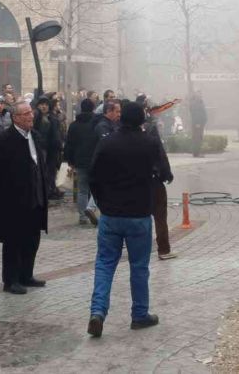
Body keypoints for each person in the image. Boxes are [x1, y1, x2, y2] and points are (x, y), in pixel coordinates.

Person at [86, 102, 165, 338]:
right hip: (139, 215)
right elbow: (162, 171)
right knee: (139, 266)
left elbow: (93, 177)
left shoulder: (107, 142)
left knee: (104, 264)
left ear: (121, 119)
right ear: (141, 120)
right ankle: (139, 314)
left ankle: (98, 312)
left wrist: (102, 203)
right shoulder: (149, 143)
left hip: (111, 215)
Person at [0, 102, 48, 296]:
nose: (31, 117)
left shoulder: (35, 136)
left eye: (31, 113)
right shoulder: (4, 140)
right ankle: (11, 280)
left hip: (36, 196)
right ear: (15, 118)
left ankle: (27, 274)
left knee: (32, 238)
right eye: (25, 114)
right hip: (14, 199)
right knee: (14, 240)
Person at [139, 98, 175, 260]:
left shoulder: (119, 133)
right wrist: (166, 174)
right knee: (160, 216)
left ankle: (140, 250)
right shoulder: (150, 130)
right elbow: (160, 154)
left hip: (134, 183)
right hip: (153, 180)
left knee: (140, 217)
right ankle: (164, 249)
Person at [64, 99, 100, 226]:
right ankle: (92, 208)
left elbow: (69, 144)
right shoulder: (97, 124)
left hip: (80, 161)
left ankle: (82, 216)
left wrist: (70, 160)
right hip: (95, 161)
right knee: (97, 188)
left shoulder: (74, 125)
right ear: (93, 108)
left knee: (82, 190)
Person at [33, 97, 63, 200]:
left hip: (53, 148)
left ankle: (51, 189)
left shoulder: (52, 117)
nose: (44, 106)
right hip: (42, 148)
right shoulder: (36, 116)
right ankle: (46, 191)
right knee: (43, 171)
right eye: (41, 104)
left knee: (52, 171)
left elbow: (57, 132)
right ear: (37, 105)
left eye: (46, 104)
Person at [189, 91, 208, 157]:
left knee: (199, 138)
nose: (200, 95)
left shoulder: (200, 102)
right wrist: (197, 123)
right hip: (197, 124)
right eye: (199, 94)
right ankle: (196, 153)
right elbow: (194, 114)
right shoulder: (195, 103)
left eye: (200, 94)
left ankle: (197, 152)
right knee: (197, 138)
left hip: (200, 123)